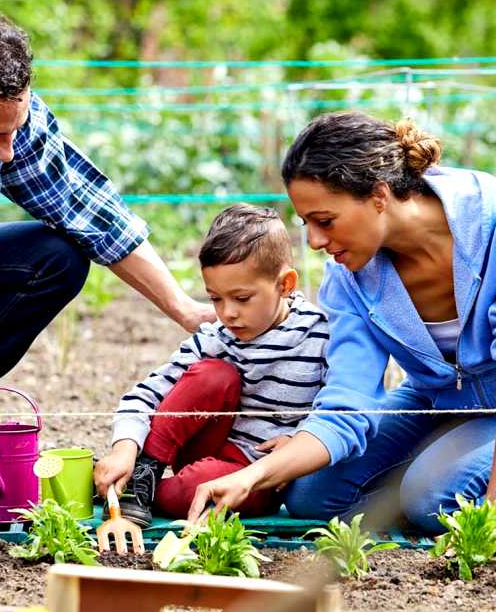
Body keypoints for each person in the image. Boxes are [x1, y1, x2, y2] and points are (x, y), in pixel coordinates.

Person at [183, 111, 496, 535]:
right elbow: (347, 402)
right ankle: (438, 471)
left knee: (432, 500)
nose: (313, 241)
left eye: (324, 221)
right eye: (305, 223)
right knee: (311, 496)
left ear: (379, 195)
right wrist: (252, 476)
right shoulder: (350, 277)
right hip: (440, 401)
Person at [0, 13, 214, 381]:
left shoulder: (15, 122)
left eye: (13, 130)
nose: (8, 151)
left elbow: (90, 212)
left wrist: (186, 310)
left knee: (57, 258)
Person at [93, 204, 329, 526]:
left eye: (242, 298)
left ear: (285, 285)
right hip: (206, 445)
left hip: (259, 475)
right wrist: (125, 448)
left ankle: (144, 490)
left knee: (194, 488)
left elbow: (337, 408)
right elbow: (147, 394)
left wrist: (299, 440)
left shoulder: (319, 335)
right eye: (215, 298)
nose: (227, 313)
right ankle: (141, 474)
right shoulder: (217, 336)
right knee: (213, 374)